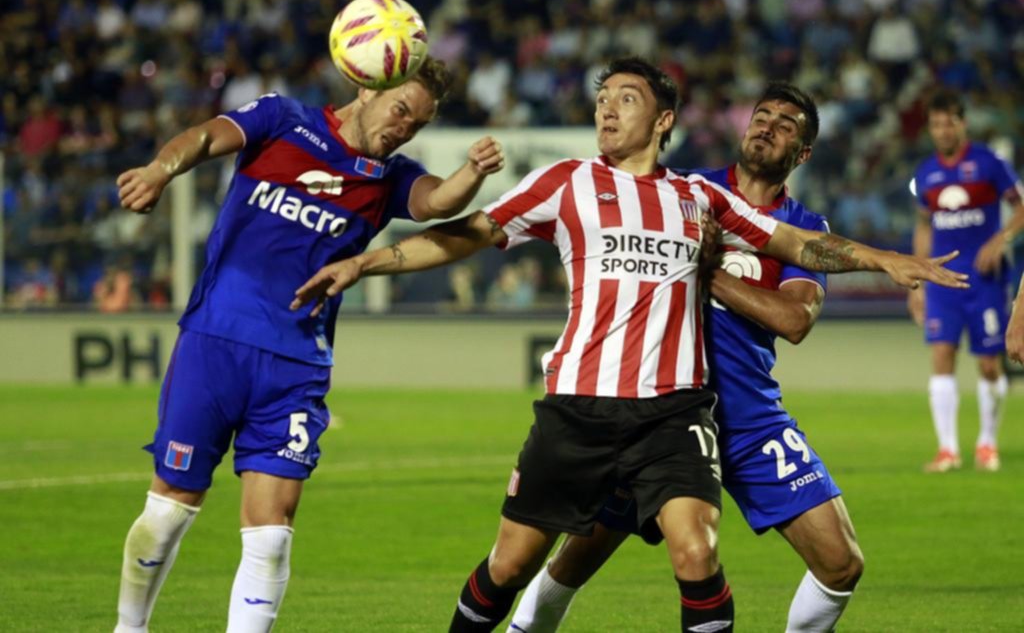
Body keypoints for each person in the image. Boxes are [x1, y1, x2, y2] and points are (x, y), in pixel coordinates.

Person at [290, 57, 966, 633]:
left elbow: (798, 265)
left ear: (663, 120)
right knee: (520, 563)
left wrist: (885, 259)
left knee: (705, 552)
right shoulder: (571, 182)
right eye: (602, 100)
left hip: (683, 413)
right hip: (582, 411)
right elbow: (469, 234)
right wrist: (366, 261)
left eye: (626, 99)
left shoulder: (698, 199)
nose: (607, 111)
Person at [113, 57, 506, 633]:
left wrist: (473, 171)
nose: (404, 128)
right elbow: (203, 137)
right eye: (400, 111)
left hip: (297, 364)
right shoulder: (281, 119)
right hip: (215, 341)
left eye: (416, 125)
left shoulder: (390, 176)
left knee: (271, 532)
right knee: (170, 505)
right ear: (366, 86)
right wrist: (159, 169)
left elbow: (438, 204)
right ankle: (129, 628)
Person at [506, 83, 864, 633]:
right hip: (657, 409)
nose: (767, 126)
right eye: (761, 116)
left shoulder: (803, 228)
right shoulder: (687, 191)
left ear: (804, 152)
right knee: (574, 558)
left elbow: (794, 321)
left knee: (841, 562)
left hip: (746, 417)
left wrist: (707, 271)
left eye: (786, 124)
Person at [908, 89, 1024, 473]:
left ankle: (987, 443)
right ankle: (947, 450)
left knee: (990, 363)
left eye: (949, 123)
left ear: (962, 123)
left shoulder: (989, 163)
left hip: (986, 280)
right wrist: (918, 279)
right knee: (941, 355)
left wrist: (1000, 239)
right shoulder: (926, 173)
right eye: (936, 124)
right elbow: (924, 225)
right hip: (943, 281)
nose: (942, 131)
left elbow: (1021, 209)